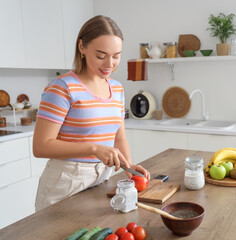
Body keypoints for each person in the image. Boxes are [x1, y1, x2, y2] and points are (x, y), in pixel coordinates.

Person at [33, 15, 150, 212]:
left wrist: (129, 167)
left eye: (116, 55)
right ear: (82, 47)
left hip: (101, 179)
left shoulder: (117, 89)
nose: (109, 64)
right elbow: (40, 147)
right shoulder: (62, 88)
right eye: (101, 55)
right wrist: (94, 149)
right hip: (65, 184)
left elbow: (118, 137)